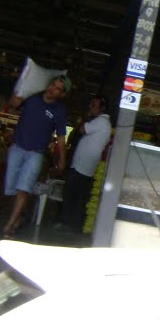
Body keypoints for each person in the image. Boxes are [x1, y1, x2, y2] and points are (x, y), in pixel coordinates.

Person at [2, 74, 70, 237]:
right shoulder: (32, 97)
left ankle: (10, 225)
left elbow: (61, 139)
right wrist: (16, 96)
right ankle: (18, 216)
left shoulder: (59, 111)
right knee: (11, 187)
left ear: (62, 94)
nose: (53, 89)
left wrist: (62, 162)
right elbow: (11, 105)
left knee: (24, 189)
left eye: (58, 88)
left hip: (36, 154)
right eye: (52, 84)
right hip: (17, 148)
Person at [59, 94, 111, 232]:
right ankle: (72, 223)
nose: (90, 107)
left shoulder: (101, 122)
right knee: (78, 196)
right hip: (84, 165)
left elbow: (82, 129)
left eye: (94, 105)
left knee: (71, 193)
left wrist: (85, 117)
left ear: (101, 109)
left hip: (82, 166)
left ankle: (67, 222)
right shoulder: (102, 122)